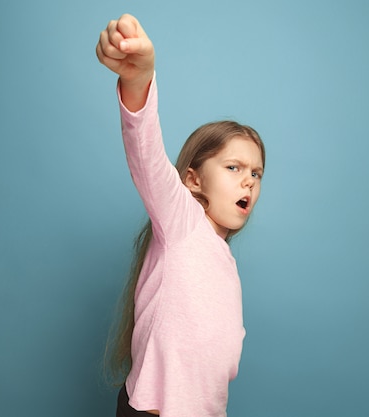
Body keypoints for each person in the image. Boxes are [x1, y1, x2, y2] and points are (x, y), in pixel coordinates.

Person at [96, 14, 266, 417]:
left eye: (256, 173)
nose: (249, 182)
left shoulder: (223, 261)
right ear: (192, 180)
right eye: (233, 168)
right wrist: (138, 81)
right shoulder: (182, 223)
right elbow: (146, 152)